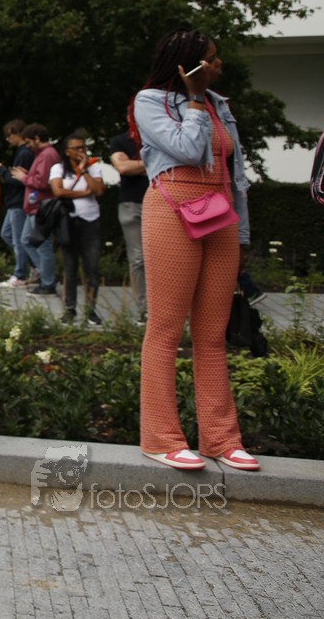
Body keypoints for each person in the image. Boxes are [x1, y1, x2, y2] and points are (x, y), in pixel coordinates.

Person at [131, 29, 258, 473]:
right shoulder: (151, 101)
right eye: (212, 58)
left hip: (220, 214)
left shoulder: (221, 104)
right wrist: (196, 100)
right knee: (166, 328)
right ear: (189, 66)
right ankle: (160, 438)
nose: (219, 65)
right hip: (172, 209)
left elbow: (235, 172)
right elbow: (188, 148)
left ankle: (221, 439)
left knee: (212, 333)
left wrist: (242, 237)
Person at [49, 133, 105, 326]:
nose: (81, 151)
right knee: (70, 267)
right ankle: (69, 309)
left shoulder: (94, 167)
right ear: (67, 152)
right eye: (77, 148)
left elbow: (98, 190)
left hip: (90, 221)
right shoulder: (58, 168)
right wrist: (83, 193)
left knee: (92, 268)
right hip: (68, 222)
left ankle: (91, 310)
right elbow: (58, 191)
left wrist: (85, 171)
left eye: (83, 147)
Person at [109, 127, 148, 317]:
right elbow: (123, 167)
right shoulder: (119, 141)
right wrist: (154, 163)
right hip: (131, 203)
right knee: (138, 257)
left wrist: (136, 165)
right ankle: (144, 308)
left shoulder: (158, 136)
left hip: (161, 203)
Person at [19, 123, 60, 297]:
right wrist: (28, 174)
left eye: (29, 142)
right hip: (35, 207)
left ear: (37, 139)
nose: (28, 146)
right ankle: (46, 274)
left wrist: (24, 178)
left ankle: (48, 283)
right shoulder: (42, 155)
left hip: (42, 207)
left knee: (43, 245)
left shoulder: (48, 155)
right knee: (26, 240)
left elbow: (43, 182)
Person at [0, 119, 34, 287]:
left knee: (19, 239)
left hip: (19, 201)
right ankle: (32, 264)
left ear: (18, 133)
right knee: (7, 234)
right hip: (14, 201)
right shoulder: (21, 152)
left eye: (9, 135)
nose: (8, 139)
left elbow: (18, 179)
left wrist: (2, 170)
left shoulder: (25, 153)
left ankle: (21, 274)